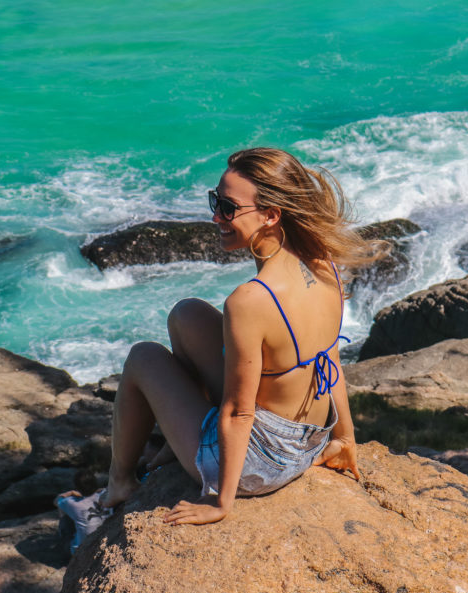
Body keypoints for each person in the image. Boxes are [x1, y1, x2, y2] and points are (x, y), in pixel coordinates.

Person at [100, 147, 380, 526]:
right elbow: (330, 362)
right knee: (187, 314)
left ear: (270, 215)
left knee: (143, 357)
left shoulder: (251, 300)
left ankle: (119, 482)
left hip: (259, 463)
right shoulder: (321, 261)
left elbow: (238, 410)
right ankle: (175, 439)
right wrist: (344, 439)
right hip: (310, 438)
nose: (216, 216)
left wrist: (220, 502)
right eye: (216, 201)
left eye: (228, 208)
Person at [55, 469, 110, 555]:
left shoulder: (72, 503)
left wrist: (71, 493)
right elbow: (104, 489)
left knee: (64, 514)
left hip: (80, 552)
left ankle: (66, 540)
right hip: (107, 542)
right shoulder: (107, 494)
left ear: (77, 488)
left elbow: (57, 500)